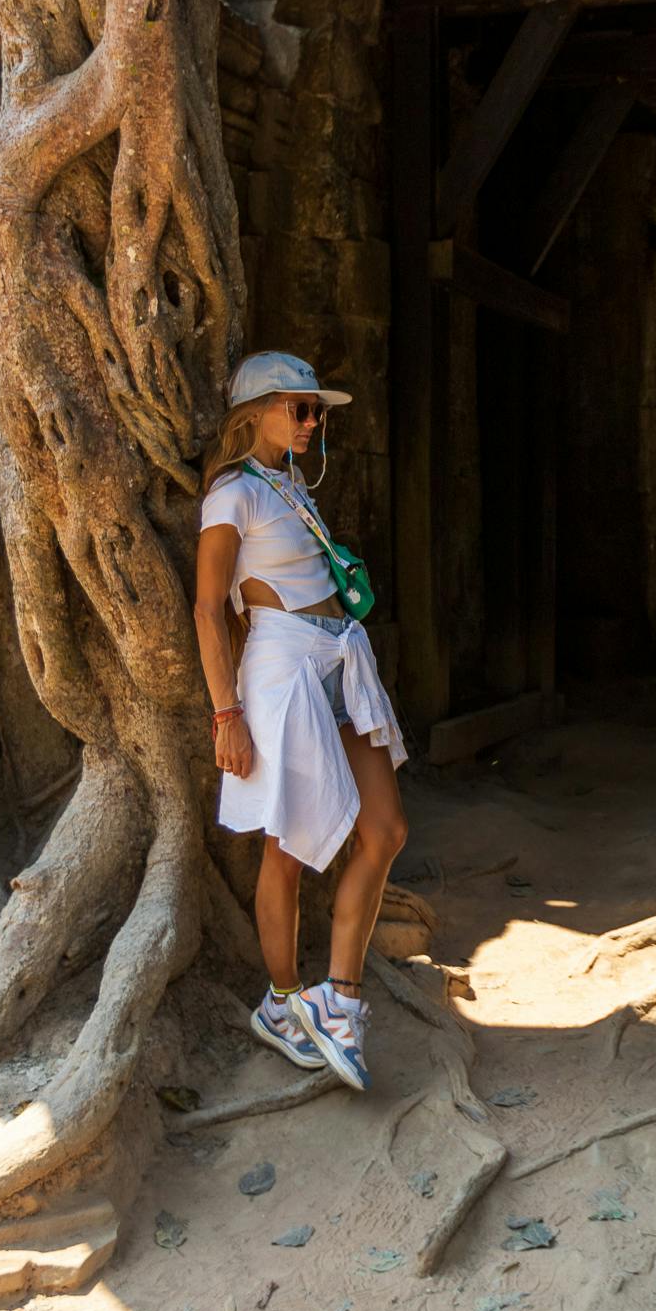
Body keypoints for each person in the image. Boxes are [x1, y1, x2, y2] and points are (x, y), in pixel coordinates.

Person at [193, 351, 408, 1091]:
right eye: (301, 407)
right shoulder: (233, 494)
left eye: (318, 411)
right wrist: (227, 711)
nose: (314, 421)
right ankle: (283, 1002)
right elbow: (207, 606)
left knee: (384, 831)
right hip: (282, 661)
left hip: (341, 656)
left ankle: (339, 999)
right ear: (254, 412)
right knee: (287, 844)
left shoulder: (288, 484)